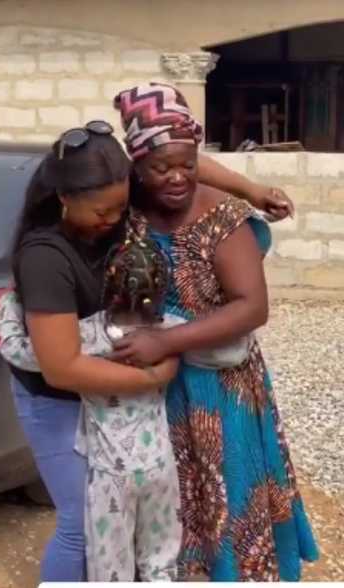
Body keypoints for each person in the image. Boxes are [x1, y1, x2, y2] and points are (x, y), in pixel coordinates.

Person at [7, 117, 299, 583]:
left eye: (119, 208)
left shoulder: (122, 207)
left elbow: (180, 162)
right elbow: (62, 369)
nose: (112, 221)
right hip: (67, 397)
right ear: (64, 198)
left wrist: (253, 190)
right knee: (83, 525)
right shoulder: (46, 256)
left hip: (122, 395)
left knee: (155, 515)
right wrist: (154, 375)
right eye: (102, 212)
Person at [108, 82, 318, 581]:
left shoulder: (221, 219)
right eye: (162, 168)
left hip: (219, 389)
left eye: (188, 163)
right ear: (136, 164)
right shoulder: (128, 203)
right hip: (159, 385)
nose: (178, 177)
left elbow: (253, 308)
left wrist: (165, 341)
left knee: (230, 485)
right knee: (171, 491)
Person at [0, 231, 252, 582]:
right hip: (159, 468)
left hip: (109, 477)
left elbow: (15, 349)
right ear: (163, 289)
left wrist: (11, 299)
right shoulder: (170, 332)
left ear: (108, 285)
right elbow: (234, 350)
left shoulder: (84, 336)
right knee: (161, 565)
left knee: (111, 573)